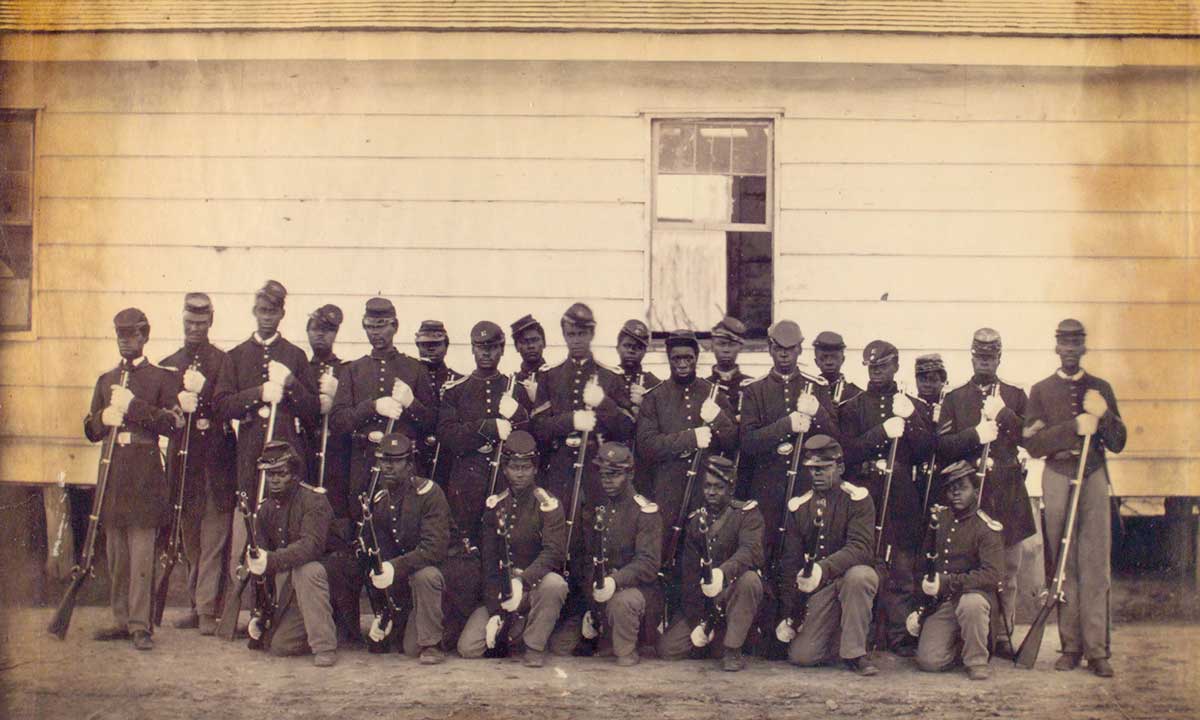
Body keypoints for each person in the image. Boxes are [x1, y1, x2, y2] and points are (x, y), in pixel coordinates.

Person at [1023, 319, 1126, 678]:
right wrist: (1071, 429)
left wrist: (1104, 414)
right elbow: (1032, 443)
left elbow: (1119, 441)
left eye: (1076, 343)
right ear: (1056, 348)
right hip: (1058, 475)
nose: (1069, 349)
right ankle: (1070, 646)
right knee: (1063, 562)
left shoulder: (1100, 388)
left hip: (1093, 475)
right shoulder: (1040, 390)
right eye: (1063, 343)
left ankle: (1097, 650)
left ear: (1083, 347)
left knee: (1095, 562)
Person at [85, 308, 182, 651]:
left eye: (133, 334)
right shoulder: (105, 379)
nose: (127, 340)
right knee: (117, 552)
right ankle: (121, 619)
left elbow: (173, 423)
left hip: (143, 472)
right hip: (114, 473)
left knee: (142, 553)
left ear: (145, 336)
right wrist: (102, 417)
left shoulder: (162, 378)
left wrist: (133, 406)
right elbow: (89, 430)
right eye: (121, 335)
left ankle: (141, 625)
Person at [935, 329, 1036, 658]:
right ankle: (973, 635)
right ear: (972, 356)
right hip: (969, 497)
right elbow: (944, 447)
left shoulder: (1015, 395)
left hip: (1007, 495)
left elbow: (1032, 438)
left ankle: (1004, 635)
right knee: (973, 566)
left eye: (991, 357)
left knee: (1008, 569)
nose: (985, 362)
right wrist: (975, 435)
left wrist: (1004, 414)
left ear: (999, 358)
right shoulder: (955, 399)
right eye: (980, 356)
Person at [218, 280, 320, 603]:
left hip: (286, 452)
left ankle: (280, 604)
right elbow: (222, 404)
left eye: (273, 311)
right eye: (262, 310)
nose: (267, 317)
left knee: (283, 526)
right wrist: (257, 394)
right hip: (250, 454)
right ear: (254, 311)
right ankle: (244, 603)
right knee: (247, 521)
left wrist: (290, 384)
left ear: (282, 314)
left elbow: (313, 412)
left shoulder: (295, 355)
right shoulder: (235, 356)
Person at [838, 339, 933, 654]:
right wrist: (881, 433)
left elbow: (925, 452)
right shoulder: (852, 406)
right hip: (865, 494)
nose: (877, 372)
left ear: (896, 365)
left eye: (883, 366)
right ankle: (864, 634)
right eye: (872, 366)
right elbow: (846, 451)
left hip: (901, 495)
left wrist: (913, 421)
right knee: (865, 560)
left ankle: (898, 633)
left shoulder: (912, 405)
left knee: (901, 566)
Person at [160, 293, 237, 636]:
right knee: (190, 539)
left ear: (211, 321)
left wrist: (203, 396)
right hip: (184, 465)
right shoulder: (168, 363)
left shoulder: (224, 362)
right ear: (182, 320)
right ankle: (196, 604)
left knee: (215, 538)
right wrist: (176, 406)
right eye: (189, 322)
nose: (195, 328)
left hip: (217, 463)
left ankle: (208, 609)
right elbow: (161, 415)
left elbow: (227, 407)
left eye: (201, 322)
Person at [458, 431, 568, 666]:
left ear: (535, 469)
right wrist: (495, 609)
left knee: (555, 584)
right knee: (468, 648)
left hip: (534, 587)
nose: (519, 473)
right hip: (502, 591)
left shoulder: (547, 503)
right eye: (514, 467)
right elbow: (488, 562)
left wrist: (523, 581)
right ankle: (515, 627)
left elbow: (553, 552)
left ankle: (534, 646)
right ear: (505, 469)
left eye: (525, 467)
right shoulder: (495, 504)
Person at [548, 443, 663, 666]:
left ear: (630, 474)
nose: (607, 480)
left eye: (615, 474)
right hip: (598, 594)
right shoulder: (596, 507)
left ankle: (627, 648)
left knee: (621, 635)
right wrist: (592, 602)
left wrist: (614, 580)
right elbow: (586, 558)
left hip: (633, 592)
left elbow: (648, 564)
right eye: (603, 474)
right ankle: (603, 629)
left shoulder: (645, 512)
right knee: (561, 647)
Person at [776, 435, 879, 676]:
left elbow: (861, 548)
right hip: (819, 591)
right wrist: (788, 612)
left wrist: (822, 568)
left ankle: (855, 653)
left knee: (861, 576)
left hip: (848, 581)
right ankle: (838, 639)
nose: (817, 474)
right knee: (802, 657)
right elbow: (790, 563)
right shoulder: (799, 506)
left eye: (824, 468)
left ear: (840, 467)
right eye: (812, 469)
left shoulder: (857, 500)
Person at [739, 320, 839, 563]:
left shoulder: (816, 387)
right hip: (767, 487)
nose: (784, 354)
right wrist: (787, 425)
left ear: (800, 350)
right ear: (770, 349)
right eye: (778, 348)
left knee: (804, 553)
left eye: (791, 348)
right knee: (764, 554)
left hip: (806, 485)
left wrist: (818, 414)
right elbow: (748, 442)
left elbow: (835, 439)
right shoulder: (754, 390)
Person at [635, 329, 737, 556]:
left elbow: (733, 443)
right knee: (668, 551)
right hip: (668, 489)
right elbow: (646, 446)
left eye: (688, 358)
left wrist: (719, 419)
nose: (682, 363)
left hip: (706, 488)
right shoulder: (655, 397)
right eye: (676, 358)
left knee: (706, 551)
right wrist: (691, 438)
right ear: (669, 359)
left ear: (697, 358)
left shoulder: (713, 393)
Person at [656, 455, 763, 672]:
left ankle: (732, 648)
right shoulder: (696, 521)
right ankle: (714, 640)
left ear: (731, 488)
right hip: (706, 604)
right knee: (668, 649)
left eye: (718, 487)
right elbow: (689, 576)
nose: (711, 492)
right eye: (707, 486)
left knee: (750, 580)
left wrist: (722, 574)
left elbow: (749, 552)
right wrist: (698, 622)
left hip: (734, 593)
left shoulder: (747, 515)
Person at [329, 297, 438, 510]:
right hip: (363, 464)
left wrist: (411, 403)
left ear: (395, 326)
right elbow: (337, 422)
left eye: (381, 326)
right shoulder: (353, 371)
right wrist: (372, 407)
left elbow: (432, 423)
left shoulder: (415, 369)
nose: (375, 333)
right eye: (369, 327)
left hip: (404, 466)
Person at [530, 303, 635, 513]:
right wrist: (571, 420)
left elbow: (628, 427)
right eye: (571, 334)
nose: (576, 340)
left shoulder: (610, 376)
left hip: (598, 469)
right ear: (564, 335)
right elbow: (538, 428)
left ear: (592, 333)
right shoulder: (550, 375)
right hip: (560, 469)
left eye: (582, 333)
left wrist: (604, 404)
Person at [362, 433, 455, 664]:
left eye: (395, 461)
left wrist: (393, 568)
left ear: (410, 464)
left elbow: (434, 549)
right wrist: (385, 611)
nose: (388, 467)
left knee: (426, 575)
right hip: (412, 579)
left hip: (445, 575)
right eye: (384, 461)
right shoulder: (381, 499)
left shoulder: (429, 493)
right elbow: (385, 555)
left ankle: (434, 643)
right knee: (407, 647)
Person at [437, 321, 530, 545]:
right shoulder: (456, 390)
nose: (486, 352)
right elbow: (447, 434)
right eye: (480, 347)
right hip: (466, 483)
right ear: (472, 349)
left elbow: (529, 439)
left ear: (502, 349)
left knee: (504, 544)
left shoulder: (514, 388)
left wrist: (518, 415)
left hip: (505, 482)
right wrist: (488, 427)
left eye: (493, 347)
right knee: (468, 546)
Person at [245, 440, 337, 666]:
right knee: (280, 646)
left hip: (327, 579)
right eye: (269, 474)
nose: (274, 480)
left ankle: (325, 645)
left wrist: (270, 560)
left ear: (294, 474)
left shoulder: (314, 500)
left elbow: (311, 547)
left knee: (308, 569)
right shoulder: (266, 509)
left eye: (281, 473)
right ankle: (321, 626)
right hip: (292, 585)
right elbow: (260, 554)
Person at [912, 460, 1004, 681]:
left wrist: (947, 582)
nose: (956, 494)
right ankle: (961, 644)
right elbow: (923, 564)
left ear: (975, 491)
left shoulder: (986, 527)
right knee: (929, 662)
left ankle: (976, 660)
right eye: (951, 489)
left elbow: (992, 575)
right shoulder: (940, 520)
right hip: (944, 603)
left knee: (971, 603)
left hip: (974, 601)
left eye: (962, 488)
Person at [305, 303, 352, 517]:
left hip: (335, 454)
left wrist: (337, 394)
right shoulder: (301, 369)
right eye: (315, 329)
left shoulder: (346, 370)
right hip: (305, 449)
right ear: (308, 332)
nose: (321, 335)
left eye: (328, 330)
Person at [706, 316, 754, 497]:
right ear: (711, 345)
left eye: (731, 344)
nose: (726, 349)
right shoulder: (703, 386)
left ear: (740, 346)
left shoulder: (751, 387)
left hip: (741, 466)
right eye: (720, 343)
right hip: (709, 466)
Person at [414, 319, 464, 484]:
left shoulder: (459, 381)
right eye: (424, 345)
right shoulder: (408, 378)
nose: (430, 349)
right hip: (415, 458)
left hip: (446, 459)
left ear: (446, 346)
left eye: (436, 344)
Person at [615, 319, 660, 496]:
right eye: (627, 345)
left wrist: (645, 404)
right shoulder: (606, 379)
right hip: (611, 457)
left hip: (642, 465)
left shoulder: (654, 384)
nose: (632, 351)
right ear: (617, 347)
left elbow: (663, 425)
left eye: (638, 347)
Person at [911, 353, 949, 515]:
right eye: (922, 379)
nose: (927, 384)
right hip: (913, 478)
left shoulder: (950, 407)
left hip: (941, 480)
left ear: (943, 381)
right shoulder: (908, 405)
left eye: (933, 379)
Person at [812, 331, 863, 405]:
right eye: (824, 357)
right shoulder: (807, 393)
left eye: (834, 357)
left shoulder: (857, 395)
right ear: (816, 362)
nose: (829, 362)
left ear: (843, 359)